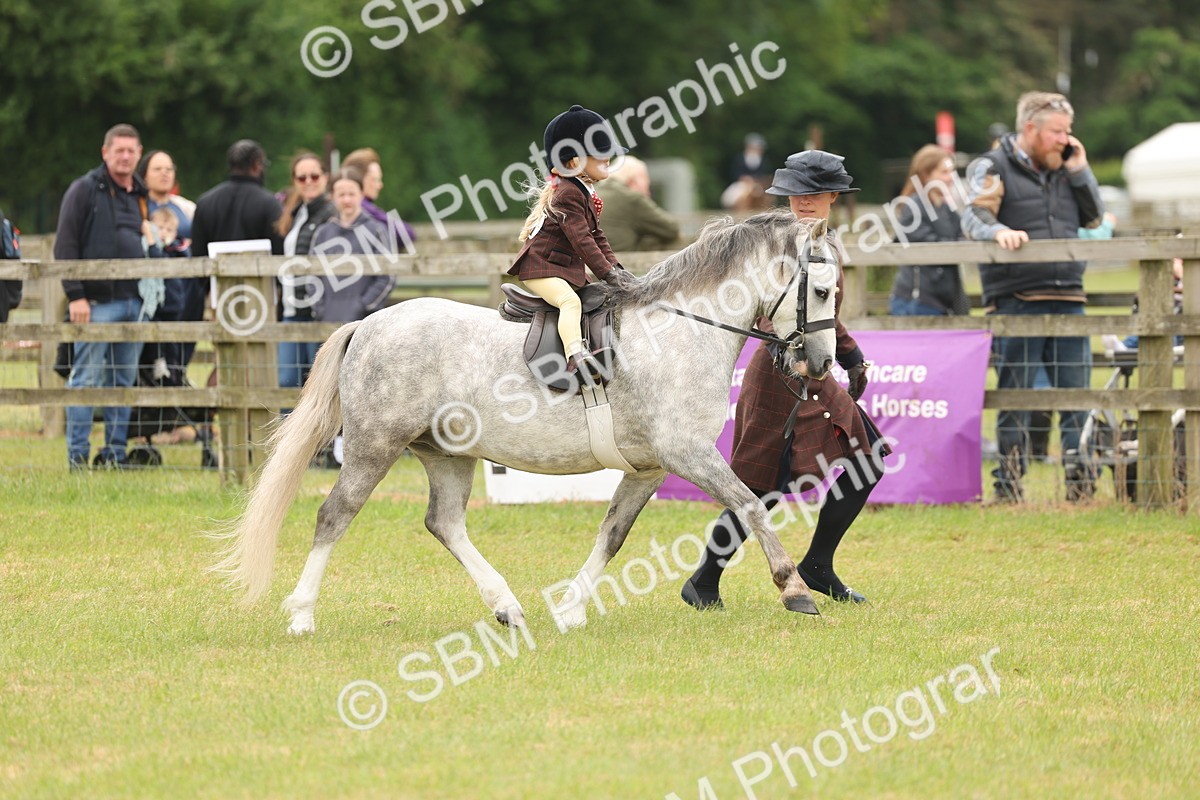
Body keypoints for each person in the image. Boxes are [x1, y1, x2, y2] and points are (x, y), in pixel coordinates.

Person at [681, 150, 889, 610]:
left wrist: (853, 358)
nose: (804, 203)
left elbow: (821, 319)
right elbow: (754, 306)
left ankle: (818, 565)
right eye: (796, 194)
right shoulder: (772, 243)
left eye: (814, 194)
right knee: (761, 488)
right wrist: (777, 341)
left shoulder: (827, 244)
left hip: (813, 371)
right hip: (778, 373)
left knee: (868, 462)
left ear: (834, 196)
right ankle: (704, 580)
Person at [962, 91, 1105, 502]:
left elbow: (1094, 217)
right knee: (1016, 397)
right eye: (1058, 131)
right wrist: (998, 232)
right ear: (1030, 128)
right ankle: (1009, 487)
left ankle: (1081, 486)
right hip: (1016, 296)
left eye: (1068, 131)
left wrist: (1080, 170)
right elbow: (973, 215)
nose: (1066, 138)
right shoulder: (992, 166)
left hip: (1070, 296)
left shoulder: (1067, 166)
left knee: (1075, 397)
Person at [507, 104, 636, 379]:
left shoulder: (582, 190)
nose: (609, 157)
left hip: (562, 267)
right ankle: (576, 356)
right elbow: (582, 241)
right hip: (542, 267)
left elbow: (597, 236)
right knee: (570, 303)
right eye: (600, 153)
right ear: (572, 161)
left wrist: (618, 271)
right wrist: (607, 274)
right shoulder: (568, 193)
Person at [54, 123, 150, 470]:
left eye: (131, 150)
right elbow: (65, 245)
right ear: (105, 152)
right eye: (118, 150)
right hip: (95, 303)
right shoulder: (84, 190)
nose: (125, 156)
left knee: (123, 380)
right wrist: (76, 295)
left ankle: (113, 454)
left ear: (139, 154)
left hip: (134, 302)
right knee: (86, 380)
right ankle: (77, 457)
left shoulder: (140, 194)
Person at [308, 167, 397, 466]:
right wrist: (319, 306)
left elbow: (385, 276)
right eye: (341, 194)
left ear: (361, 195)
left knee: (359, 388)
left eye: (352, 193)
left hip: (362, 323)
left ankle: (357, 450)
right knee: (327, 386)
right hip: (327, 318)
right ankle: (326, 447)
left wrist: (363, 306)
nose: (346, 199)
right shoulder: (324, 232)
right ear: (333, 197)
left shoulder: (375, 230)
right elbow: (313, 275)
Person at [137, 150, 204, 373]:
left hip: (187, 289)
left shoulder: (187, 208)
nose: (164, 174)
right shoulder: (138, 206)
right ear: (144, 174)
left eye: (169, 169)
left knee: (181, 347)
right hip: (153, 292)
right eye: (157, 169)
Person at [276, 152, 336, 391]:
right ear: (295, 181)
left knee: (318, 385)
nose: (309, 181)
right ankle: (288, 429)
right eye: (302, 178)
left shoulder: (332, 213)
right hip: (292, 308)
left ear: (325, 177)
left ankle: (324, 432)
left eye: (314, 175)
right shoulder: (296, 213)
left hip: (317, 311)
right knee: (287, 382)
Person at [888, 145, 970, 316]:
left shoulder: (945, 209)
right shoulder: (912, 208)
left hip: (942, 300)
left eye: (952, 172)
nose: (950, 178)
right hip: (917, 301)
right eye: (944, 172)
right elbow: (931, 246)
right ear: (926, 175)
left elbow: (965, 233)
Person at [191, 139, 284, 258]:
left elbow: (198, 254)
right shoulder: (271, 204)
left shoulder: (204, 202)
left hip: (216, 274)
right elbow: (279, 253)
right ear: (256, 165)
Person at [594, 155, 680, 252]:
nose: (648, 190)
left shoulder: (592, 191)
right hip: (620, 264)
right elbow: (671, 229)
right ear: (634, 181)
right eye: (646, 180)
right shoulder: (631, 198)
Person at [340, 147, 416, 250]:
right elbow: (406, 234)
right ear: (360, 180)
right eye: (375, 179)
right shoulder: (363, 208)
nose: (380, 185)